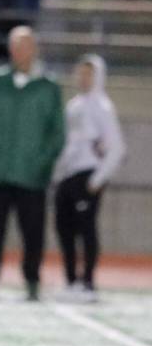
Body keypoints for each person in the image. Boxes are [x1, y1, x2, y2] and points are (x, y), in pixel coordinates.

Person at [0, 26, 65, 302]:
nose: (20, 52)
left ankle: (32, 281)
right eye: (16, 46)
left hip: (32, 176)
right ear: (10, 50)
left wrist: (42, 163)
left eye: (26, 46)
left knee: (33, 232)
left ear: (34, 49)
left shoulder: (49, 87)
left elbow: (57, 133)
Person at [53, 55, 126, 302]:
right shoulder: (73, 106)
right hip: (68, 175)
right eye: (80, 72)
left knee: (86, 230)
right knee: (64, 228)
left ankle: (89, 283)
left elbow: (116, 148)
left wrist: (98, 178)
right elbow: (68, 144)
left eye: (88, 73)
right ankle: (71, 280)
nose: (83, 78)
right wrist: (59, 172)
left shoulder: (103, 107)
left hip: (88, 175)